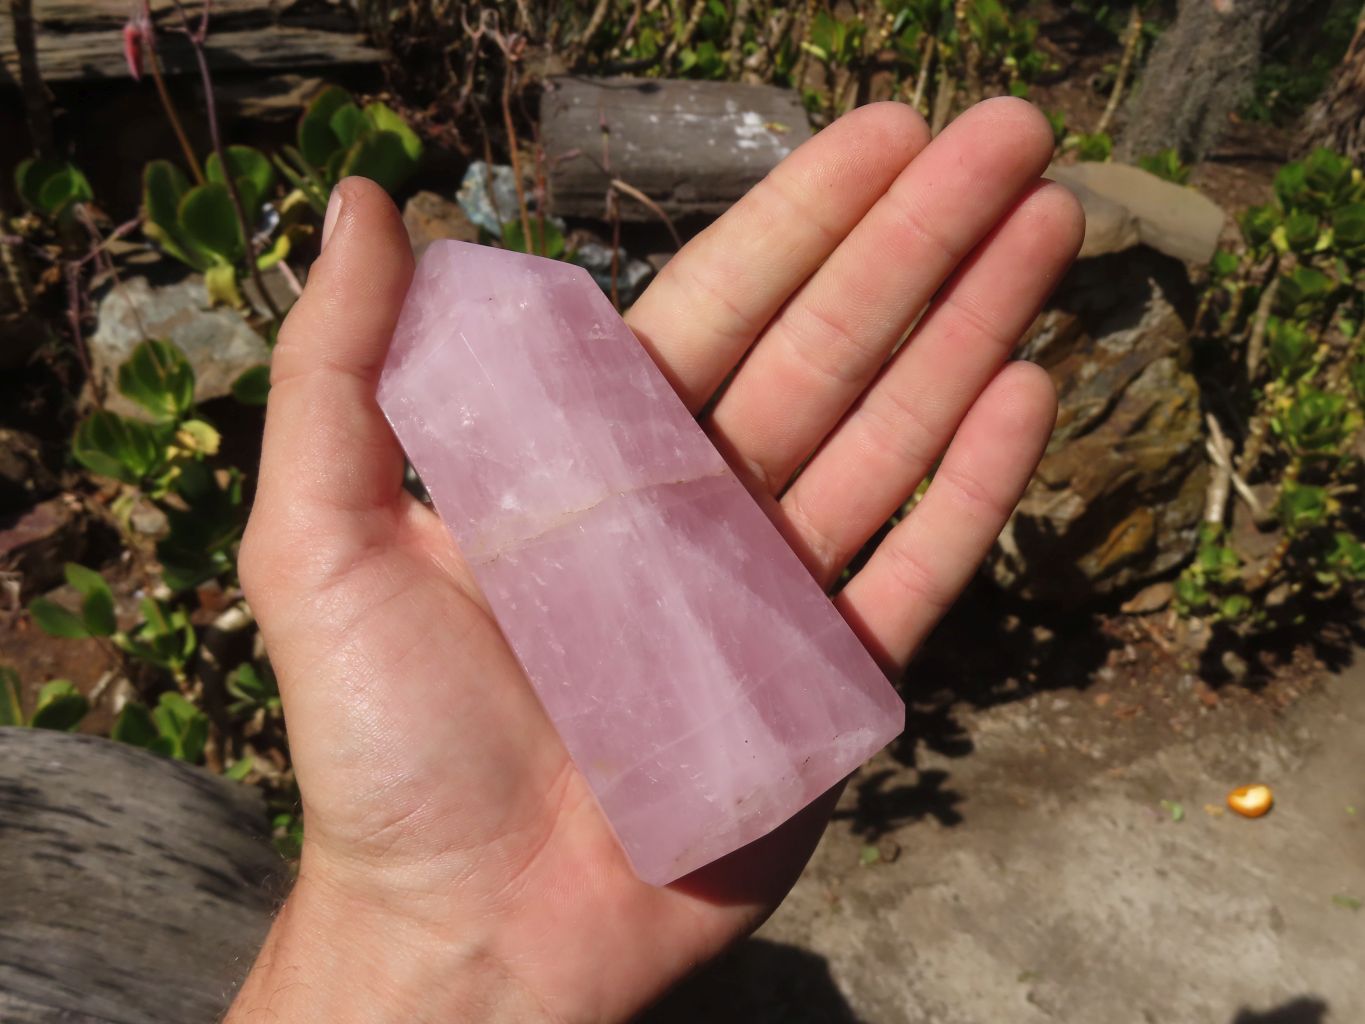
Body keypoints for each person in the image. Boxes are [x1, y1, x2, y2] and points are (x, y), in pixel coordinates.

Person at [226, 97, 1082, 1023]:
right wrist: (417, 926)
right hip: (698, 785)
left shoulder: (479, 332)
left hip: (727, 771)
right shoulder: (488, 329)